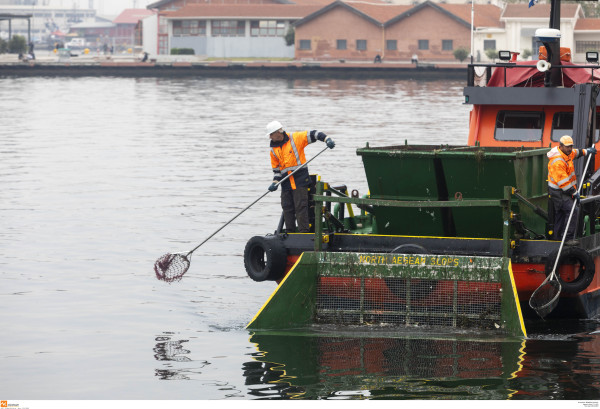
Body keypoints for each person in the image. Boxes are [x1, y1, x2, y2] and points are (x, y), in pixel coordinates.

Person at [266, 120, 335, 233]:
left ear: (278, 132)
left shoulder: (295, 138)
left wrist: (327, 139)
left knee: (300, 207)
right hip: (286, 183)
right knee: (287, 207)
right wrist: (274, 183)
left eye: (271, 134)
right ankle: (290, 233)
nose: (269, 137)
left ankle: (303, 233)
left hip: (300, 179)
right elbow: (277, 172)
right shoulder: (273, 150)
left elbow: (314, 134)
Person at [547, 135, 596, 244]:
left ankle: (558, 238)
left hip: (563, 190)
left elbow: (576, 153)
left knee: (561, 213)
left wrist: (587, 151)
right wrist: (574, 193)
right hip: (559, 192)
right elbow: (563, 182)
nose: (570, 149)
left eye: (571, 146)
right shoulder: (558, 162)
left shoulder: (567, 154)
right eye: (567, 146)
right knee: (573, 210)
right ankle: (568, 238)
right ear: (561, 146)